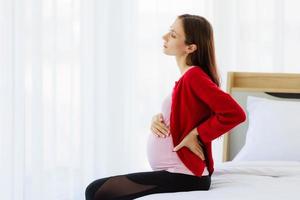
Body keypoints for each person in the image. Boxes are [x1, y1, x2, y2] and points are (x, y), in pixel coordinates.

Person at [85, 14, 246, 200]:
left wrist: (198, 134)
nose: (164, 37)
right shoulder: (188, 77)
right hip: (178, 172)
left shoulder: (194, 76)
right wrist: (159, 117)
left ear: (190, 48)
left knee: (96, 191)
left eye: (173, 34)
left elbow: (235, 113)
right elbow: (185, 114)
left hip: (185, 175)